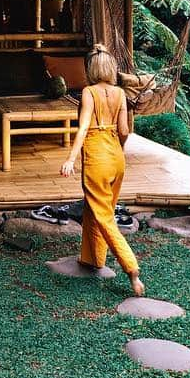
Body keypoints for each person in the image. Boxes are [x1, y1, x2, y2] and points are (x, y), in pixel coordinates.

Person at [60, 44, 145, 295]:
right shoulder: (119, 93)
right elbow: (125, 130)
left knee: (104, 216)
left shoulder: (88, 92)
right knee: (95, 208)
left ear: (91, 69)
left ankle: (132, 271)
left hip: (96, 156)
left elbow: (84, 126)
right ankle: (93, 258)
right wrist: (118, 149)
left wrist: (70, 159)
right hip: (116, 157)